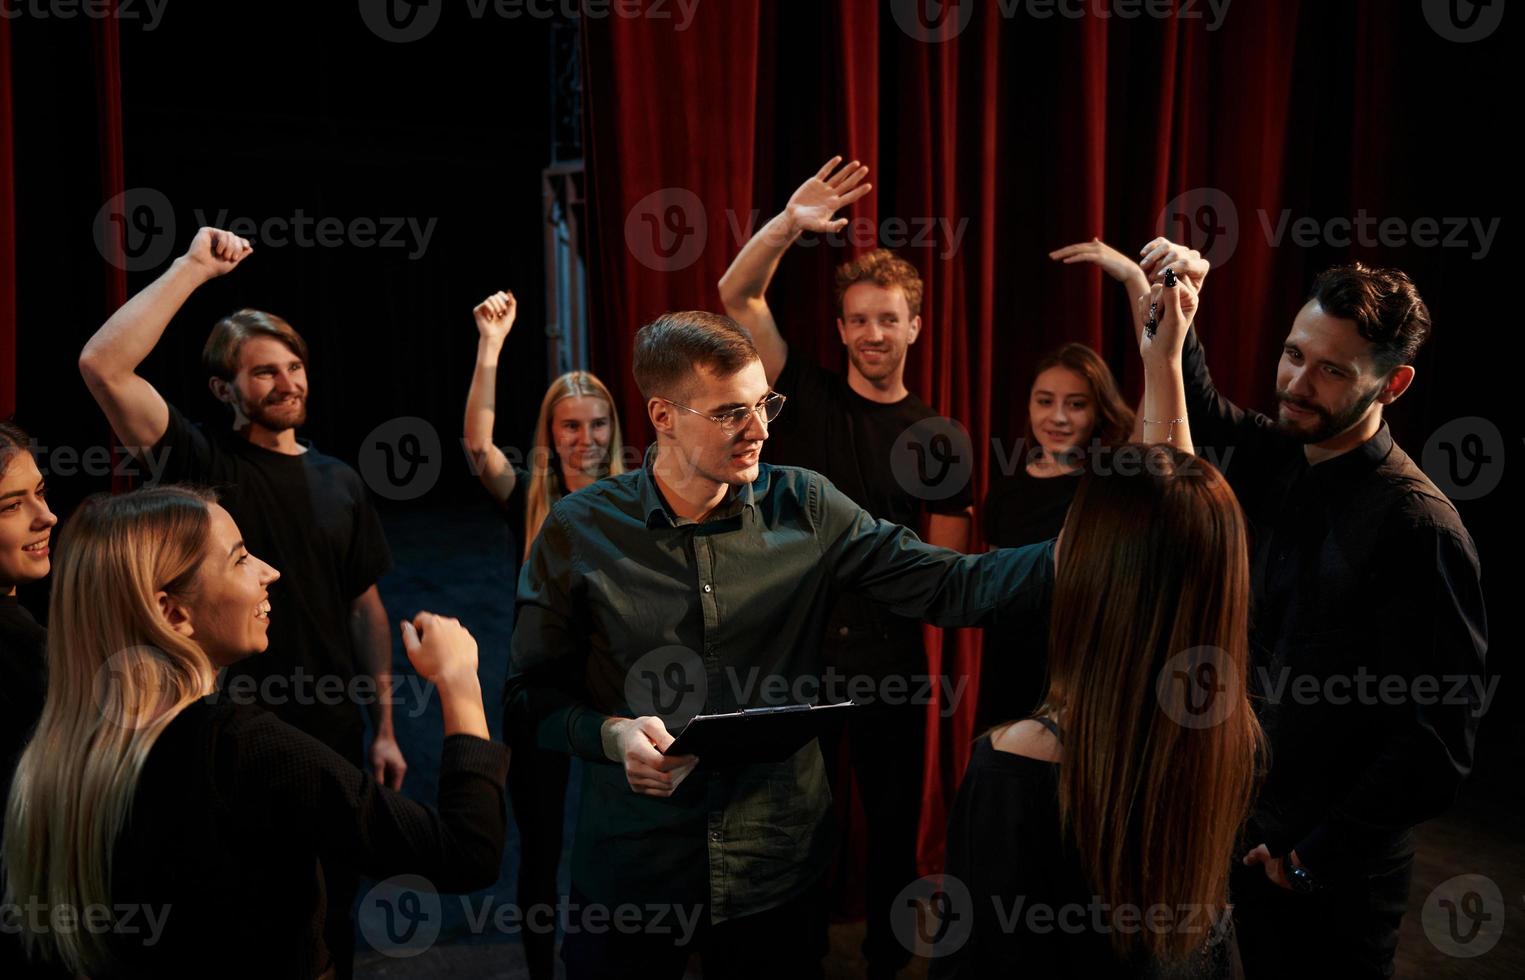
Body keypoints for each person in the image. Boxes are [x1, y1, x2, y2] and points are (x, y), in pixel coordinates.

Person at [506, 310, 1055, 980]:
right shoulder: (577, 529)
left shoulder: (808, 505)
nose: (761, 429)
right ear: (663, 415)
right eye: (732, 411)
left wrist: (1088, 551)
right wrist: (607, 735)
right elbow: (525, 698)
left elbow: (954, 586)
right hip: (634, 870)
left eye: (765, 402)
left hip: (777, 868)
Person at [1135, 238, 1487, 978]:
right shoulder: (1285, 452)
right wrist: (1180, 308)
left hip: (1328, 884)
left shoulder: (1418, 528)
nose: (1297, 382)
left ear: (1392, 385)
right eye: (1294, 354)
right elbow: (1200, 411)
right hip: (1237, 840)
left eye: (1331, 370)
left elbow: (1437, 743)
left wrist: (1310, 856)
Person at [2, 485, 508, 978]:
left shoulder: (57, 752)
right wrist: (459, 681)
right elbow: (467, 852)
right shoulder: (236, 747)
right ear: (171, 612)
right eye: (241, 559)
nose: (270, 571)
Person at [78, 227, 400, 976]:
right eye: (261, 373)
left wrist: (385, 726)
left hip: (333, 734)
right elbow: (103, 364)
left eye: (293, 366)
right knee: (253, 928)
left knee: (334, 928)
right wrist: (193, 269)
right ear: (224, 389)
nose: (285, 382)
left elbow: (366, 610)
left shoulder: (342, 480)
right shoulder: (201, 465)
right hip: (227, 739)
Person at [938, 267, 1257, 978]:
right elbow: (1178, 517)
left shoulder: (1012, 769)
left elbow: (977, 959)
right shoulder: (1217, 731)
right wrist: (1163, 357)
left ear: (1091, 568)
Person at [718, 158, 971, 978]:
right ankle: (795, 953)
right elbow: (736, 296)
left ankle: (892, 960)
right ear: (839, 330)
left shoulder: (939, 438)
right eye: (858, 320)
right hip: (798, 657)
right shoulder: (808, 398)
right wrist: (790, 224)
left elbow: (945, 576)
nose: (871, 334)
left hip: (893, 665)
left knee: (894, 826)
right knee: (797, 822)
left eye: (887, 319)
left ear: (914, 328)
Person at [463, 288, 627, 980]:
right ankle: (538, 969)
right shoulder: (532, 491)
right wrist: (491, 345)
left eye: (595, 426)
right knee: (538, 847)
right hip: (537, 700)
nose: (583, 439)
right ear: (550, 432)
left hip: (610, 699)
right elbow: (476, 443)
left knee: (609, 844)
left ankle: (606, 959)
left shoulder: (634, 497)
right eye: (569, 426)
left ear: (612, 432)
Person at [976, 343, 1134, 729]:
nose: (1058, 417)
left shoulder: (1109, 488)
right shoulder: (1004, 492)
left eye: (1076, 404)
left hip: (1082, 670)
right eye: (1045, 401)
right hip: (1008, 668)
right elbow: (994, 586)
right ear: (1029, 405)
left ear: (1099, 412)